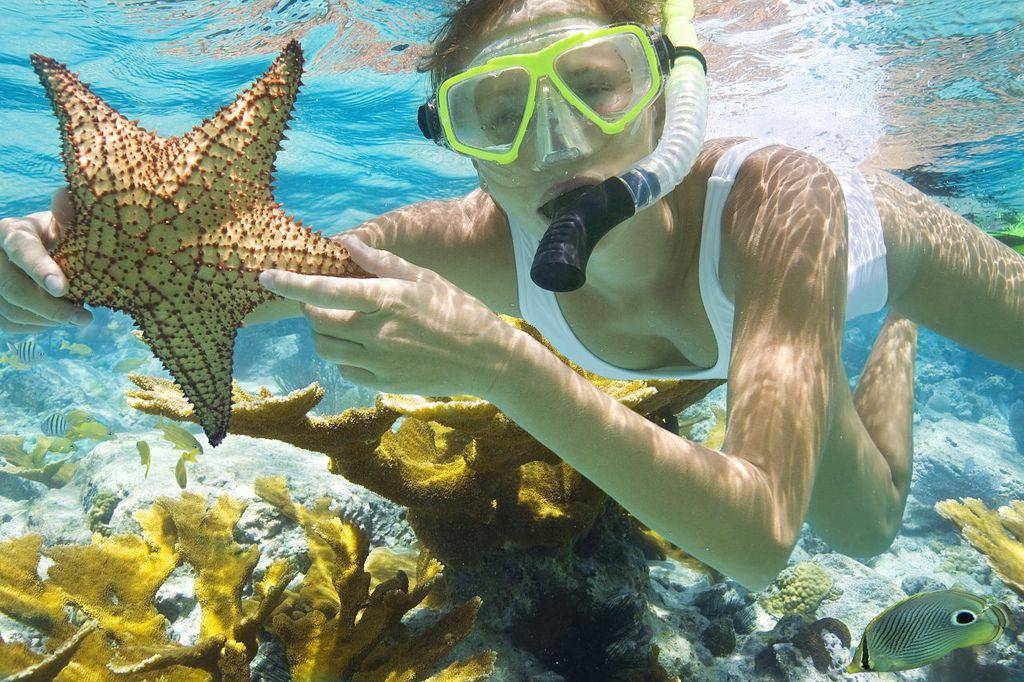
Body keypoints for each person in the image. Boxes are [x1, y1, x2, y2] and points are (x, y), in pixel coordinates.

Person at [1, 0, 1021, 590]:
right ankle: (896, 345)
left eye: (595, 82)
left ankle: (903, 308)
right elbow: (195, 270)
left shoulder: (777, 197)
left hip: (875, 250)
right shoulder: (461, 247)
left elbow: (755, 541)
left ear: (670, 90)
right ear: (460, 147)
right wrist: (44, 269)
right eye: (497, 109)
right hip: (765, 332)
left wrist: (498, 361)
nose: (559, 141)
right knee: (869, 529)